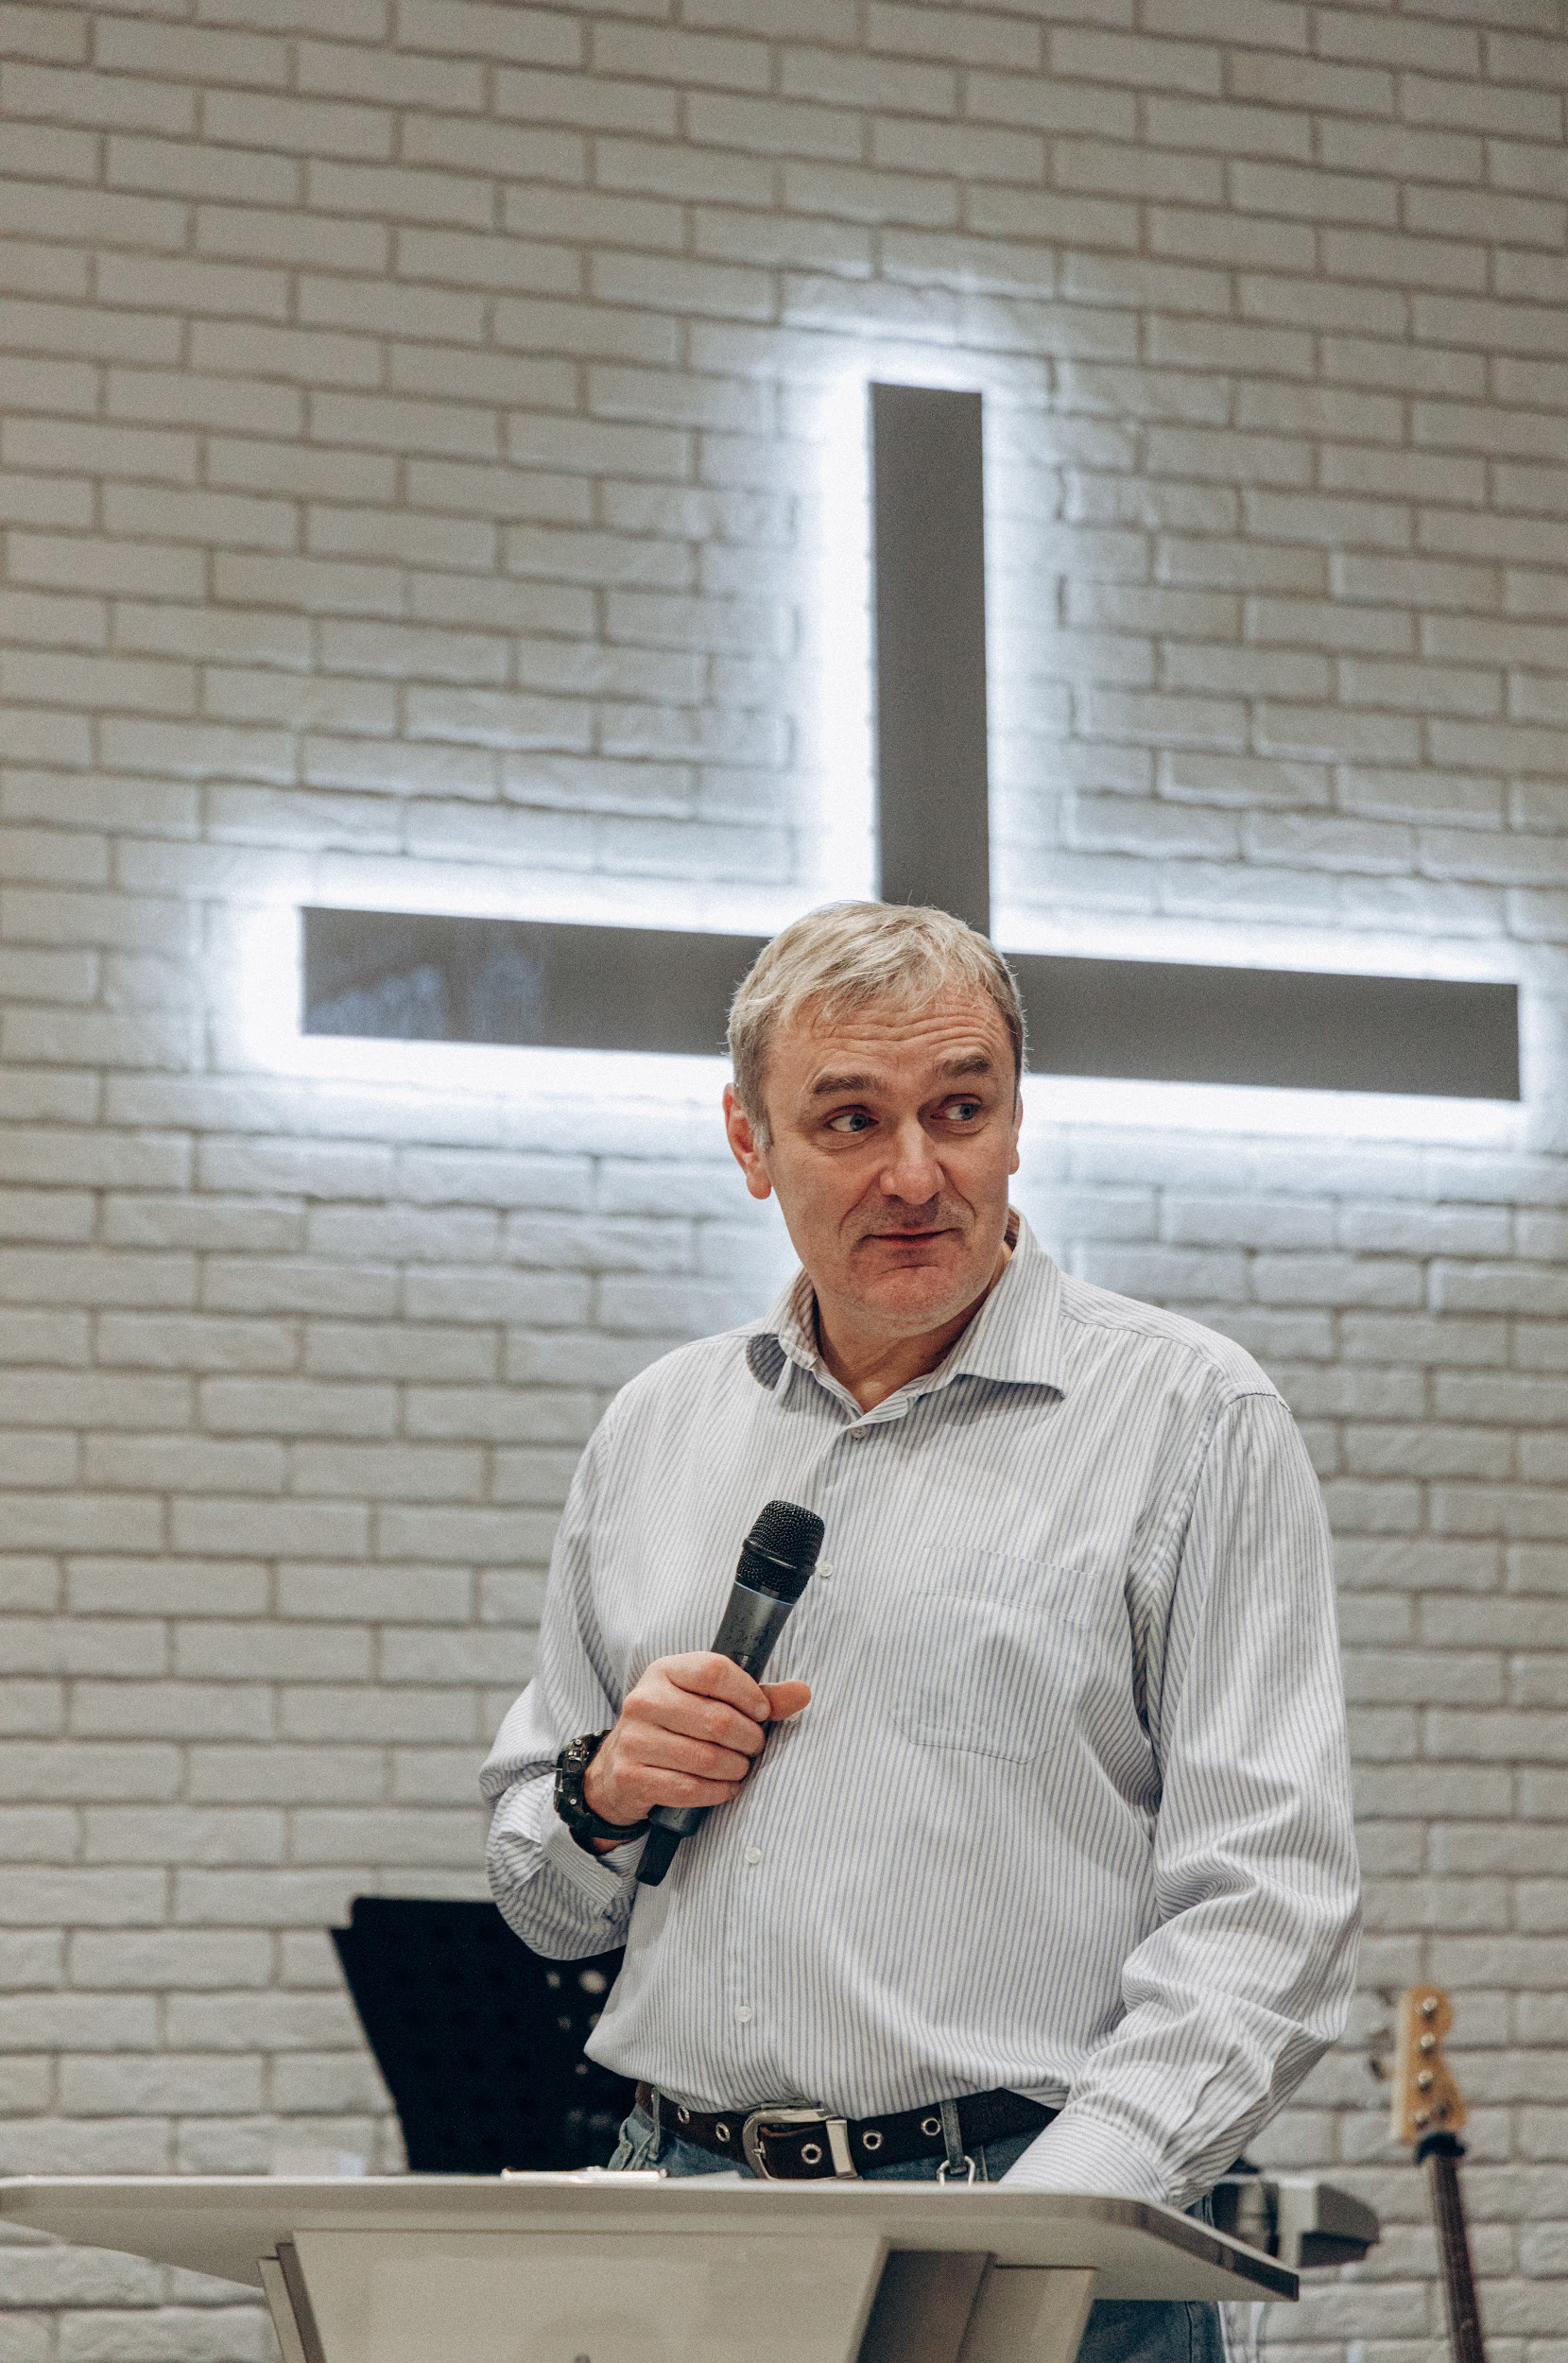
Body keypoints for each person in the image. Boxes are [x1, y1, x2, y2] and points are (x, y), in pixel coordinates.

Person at [482, 902, 1360, 2363]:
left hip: (1038, 2231)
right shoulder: (656, 1432)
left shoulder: (1194, 1420)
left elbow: (1272, 1907)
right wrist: (607, 1790)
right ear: (750, 1141)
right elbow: (547, 1907)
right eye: (850, 1120)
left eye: (961, 1109)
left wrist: (1050, 2227)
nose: (914, 1174)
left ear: (1016, 1120)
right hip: (681, 2229)